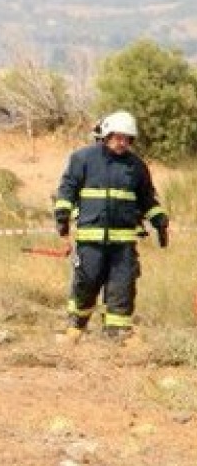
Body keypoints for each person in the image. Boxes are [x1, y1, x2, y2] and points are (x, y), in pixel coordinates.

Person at [53, 110, 168, 344]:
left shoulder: (136, 166)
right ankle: (76, 327)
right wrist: (62, 214)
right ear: (106, 135)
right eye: (118, 137)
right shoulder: (83, 159)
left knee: (122, 287)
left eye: (127, 138)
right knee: (87, 282)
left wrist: (159, 221)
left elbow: (147, 199)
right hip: (90, 240)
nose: (122, 142)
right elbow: (67, 189)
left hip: (123, 244)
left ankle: (116, 334)